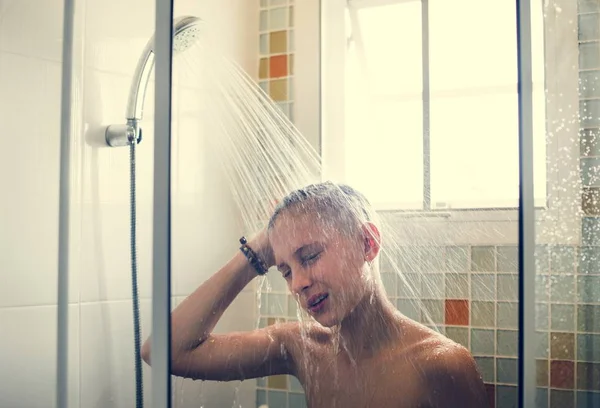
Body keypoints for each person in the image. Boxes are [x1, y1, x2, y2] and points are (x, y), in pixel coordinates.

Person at [141, 181, 488, 407]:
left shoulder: (440, 365)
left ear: (367, 243)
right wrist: (256, 253)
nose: (297, 284)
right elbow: (164, 351)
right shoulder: (303, 349)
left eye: (309, 257)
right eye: (286, 270)